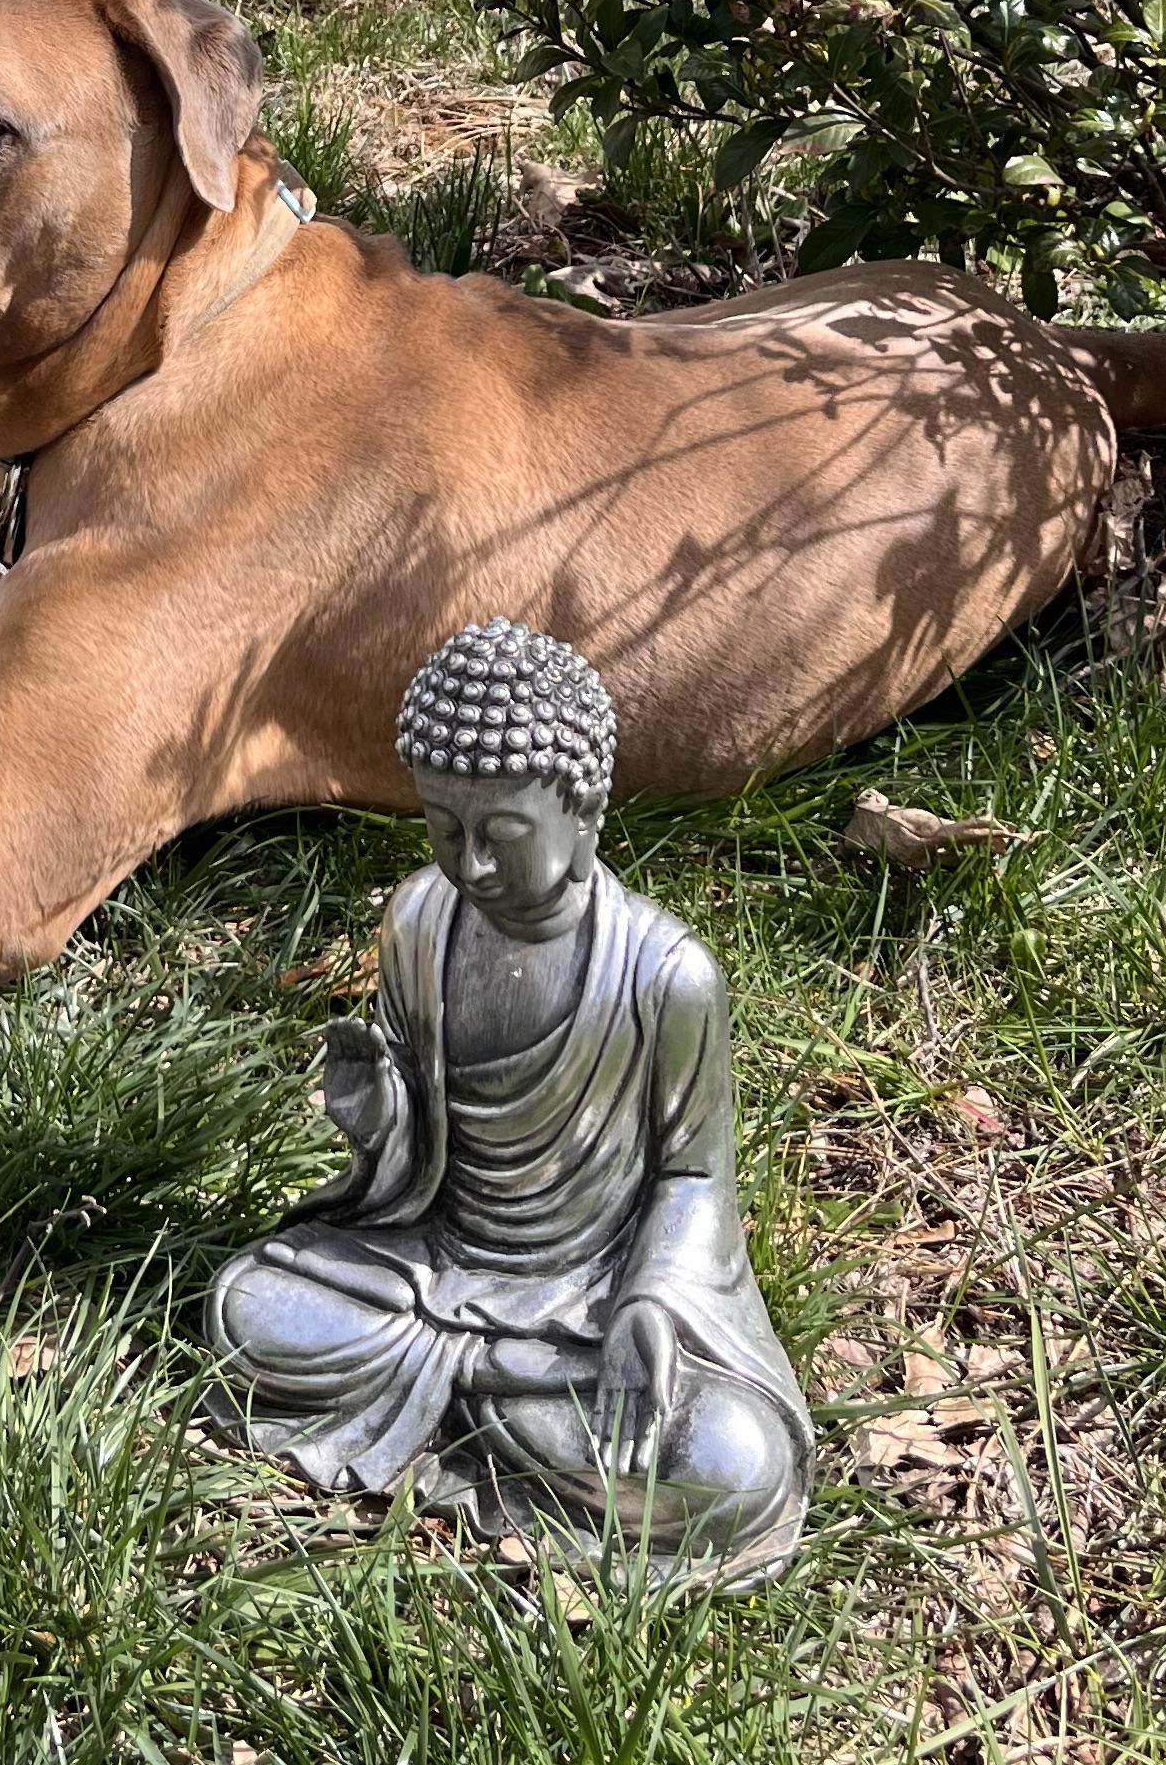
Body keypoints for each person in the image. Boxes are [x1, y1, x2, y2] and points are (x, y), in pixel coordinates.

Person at [206, 619, 813, 1582]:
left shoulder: (667, 978)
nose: (470, 865)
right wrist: (382, 1119)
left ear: (582, 810)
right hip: (434, 1267)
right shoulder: (419, 921)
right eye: (445, 829)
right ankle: (490, 1390)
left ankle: (472, 1390)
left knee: (737, 1464)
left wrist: (648, 1310)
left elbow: (695, 1175)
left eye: (502, 835)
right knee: (246, 1303)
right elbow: (417, 1152)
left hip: (588, 1297)